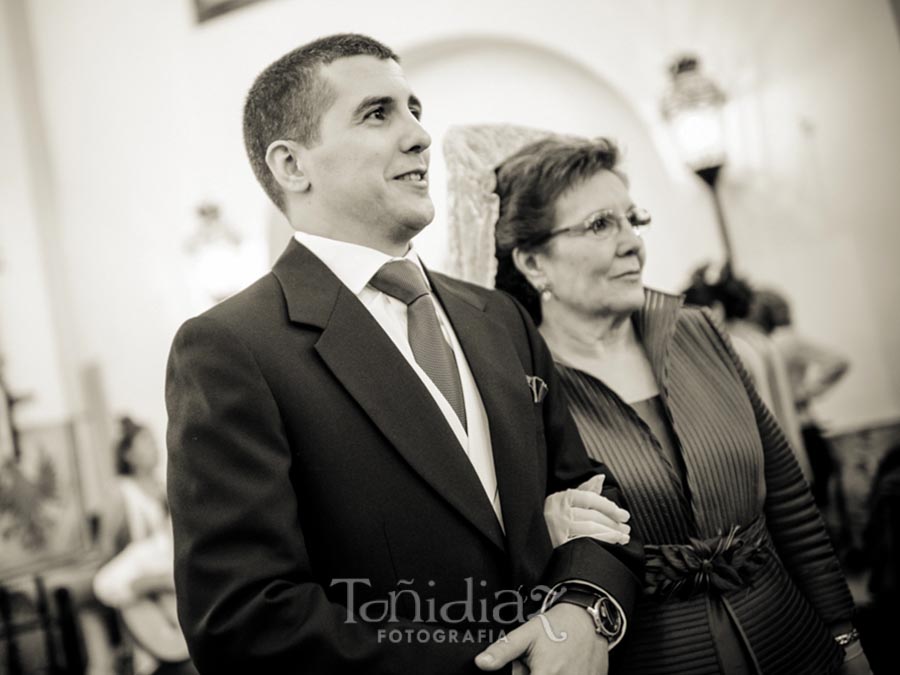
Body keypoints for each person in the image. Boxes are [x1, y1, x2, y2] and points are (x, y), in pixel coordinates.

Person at [165, 34, 642, 675]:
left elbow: (590, 492)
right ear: (292, 166)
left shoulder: (497, 315)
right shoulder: (234, 347)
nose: (419, 135)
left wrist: (584, 609)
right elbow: (245, 617)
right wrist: (507, 659)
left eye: (414, 109)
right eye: (377, 113)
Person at [471, 133, 868, 673]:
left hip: (792, 641)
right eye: (600, 225)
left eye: (633, 219)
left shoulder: (698, 332)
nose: (632, 242)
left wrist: (845, 638)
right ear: (533, 262)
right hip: (654, 657)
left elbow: (789, 502)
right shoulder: (517, 389)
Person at [93, 417, 193, 675]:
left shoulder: (164, 487)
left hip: (172, 586)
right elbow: (106, 550)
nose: (155, 447)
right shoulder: (121, 492)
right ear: (128, 454)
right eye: (145, 442)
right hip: (143, 593)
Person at [750, 288, 850, 509]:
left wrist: (804, 393)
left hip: (796, 428)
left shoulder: (784, 341)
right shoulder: (767, 343)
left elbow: (837, 361)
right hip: (793, 426)